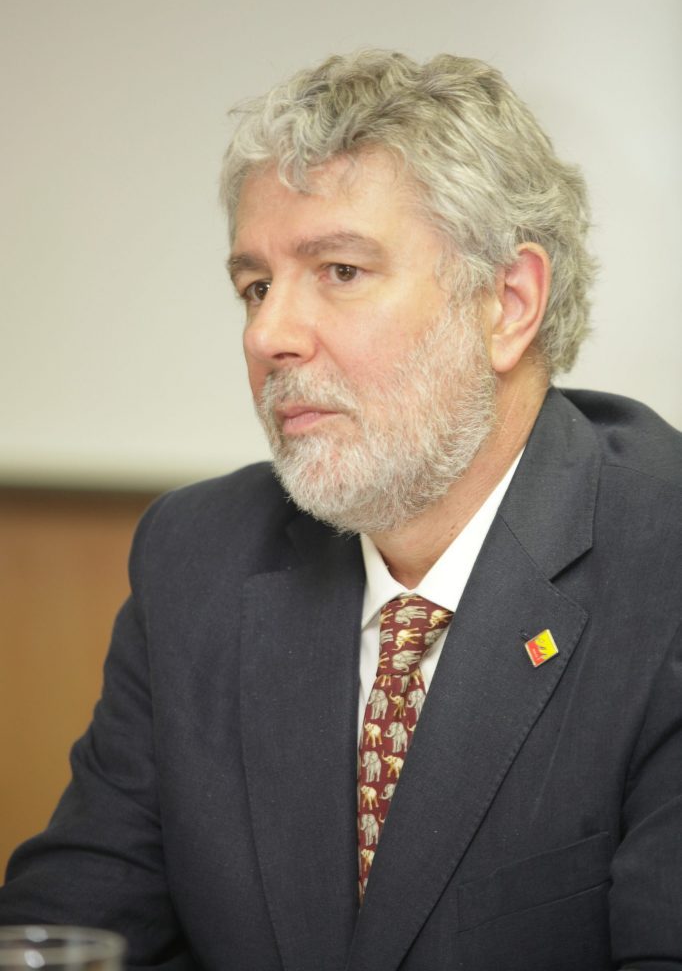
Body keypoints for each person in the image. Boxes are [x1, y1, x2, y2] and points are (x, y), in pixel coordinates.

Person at [1, 50, 681, 971]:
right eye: (255, 286)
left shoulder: (664, 566)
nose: (267, 334)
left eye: (341, 271)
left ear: (508, 302)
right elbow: (72, 930)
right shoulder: (197, 558)